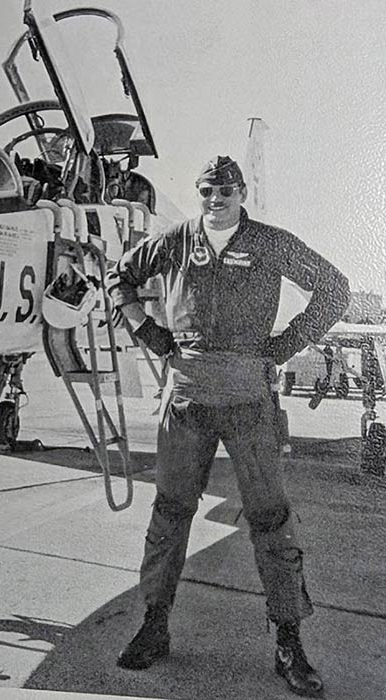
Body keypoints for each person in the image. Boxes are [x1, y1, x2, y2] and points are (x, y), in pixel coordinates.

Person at [105, 155, 350, 698]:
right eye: (207, 191)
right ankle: (153, 625)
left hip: (248, 400)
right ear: (200, 194)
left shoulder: (269, 242)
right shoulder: (176, 240)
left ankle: (289, 643)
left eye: (226, 191)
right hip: (187, 397)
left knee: (270, 519)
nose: (216, 200)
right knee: (170, 513)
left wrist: (284, 346)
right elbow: (119, 277)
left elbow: (335, 288)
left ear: (242, 194)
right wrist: (152, 335)